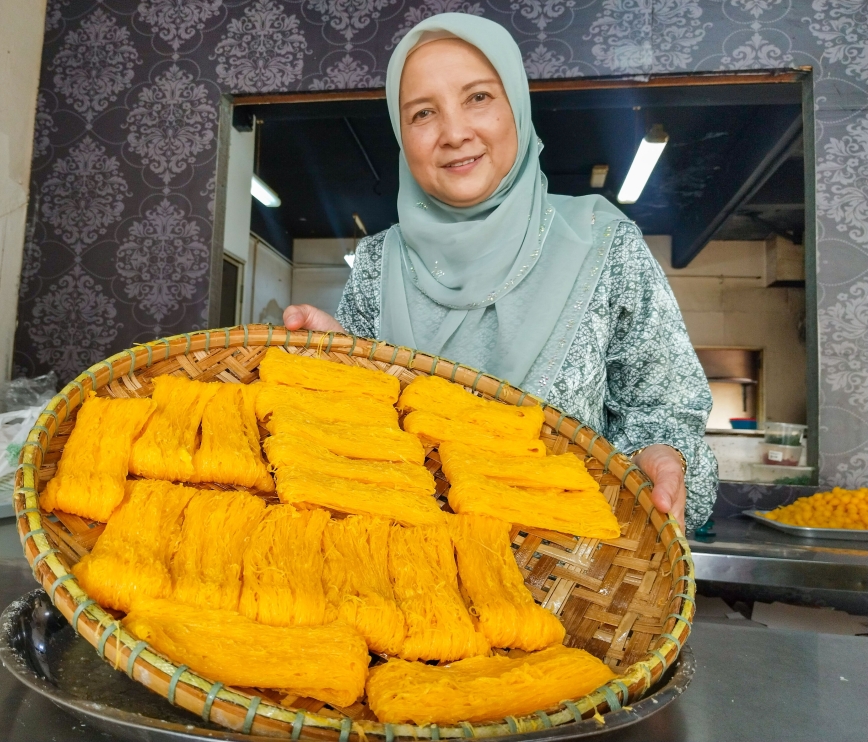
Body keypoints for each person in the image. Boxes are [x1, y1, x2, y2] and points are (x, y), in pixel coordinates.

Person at [282, 13, 717, 532]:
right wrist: (341, 369)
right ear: (402, 136)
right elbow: (360, 446)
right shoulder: (377, 263)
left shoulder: (604, 244)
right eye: (423, 113)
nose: (454, 132)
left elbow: (664, 407)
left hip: (573, 587)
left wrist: (664, 454)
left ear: (517, 105)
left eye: (478, 97)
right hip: (401, 581)